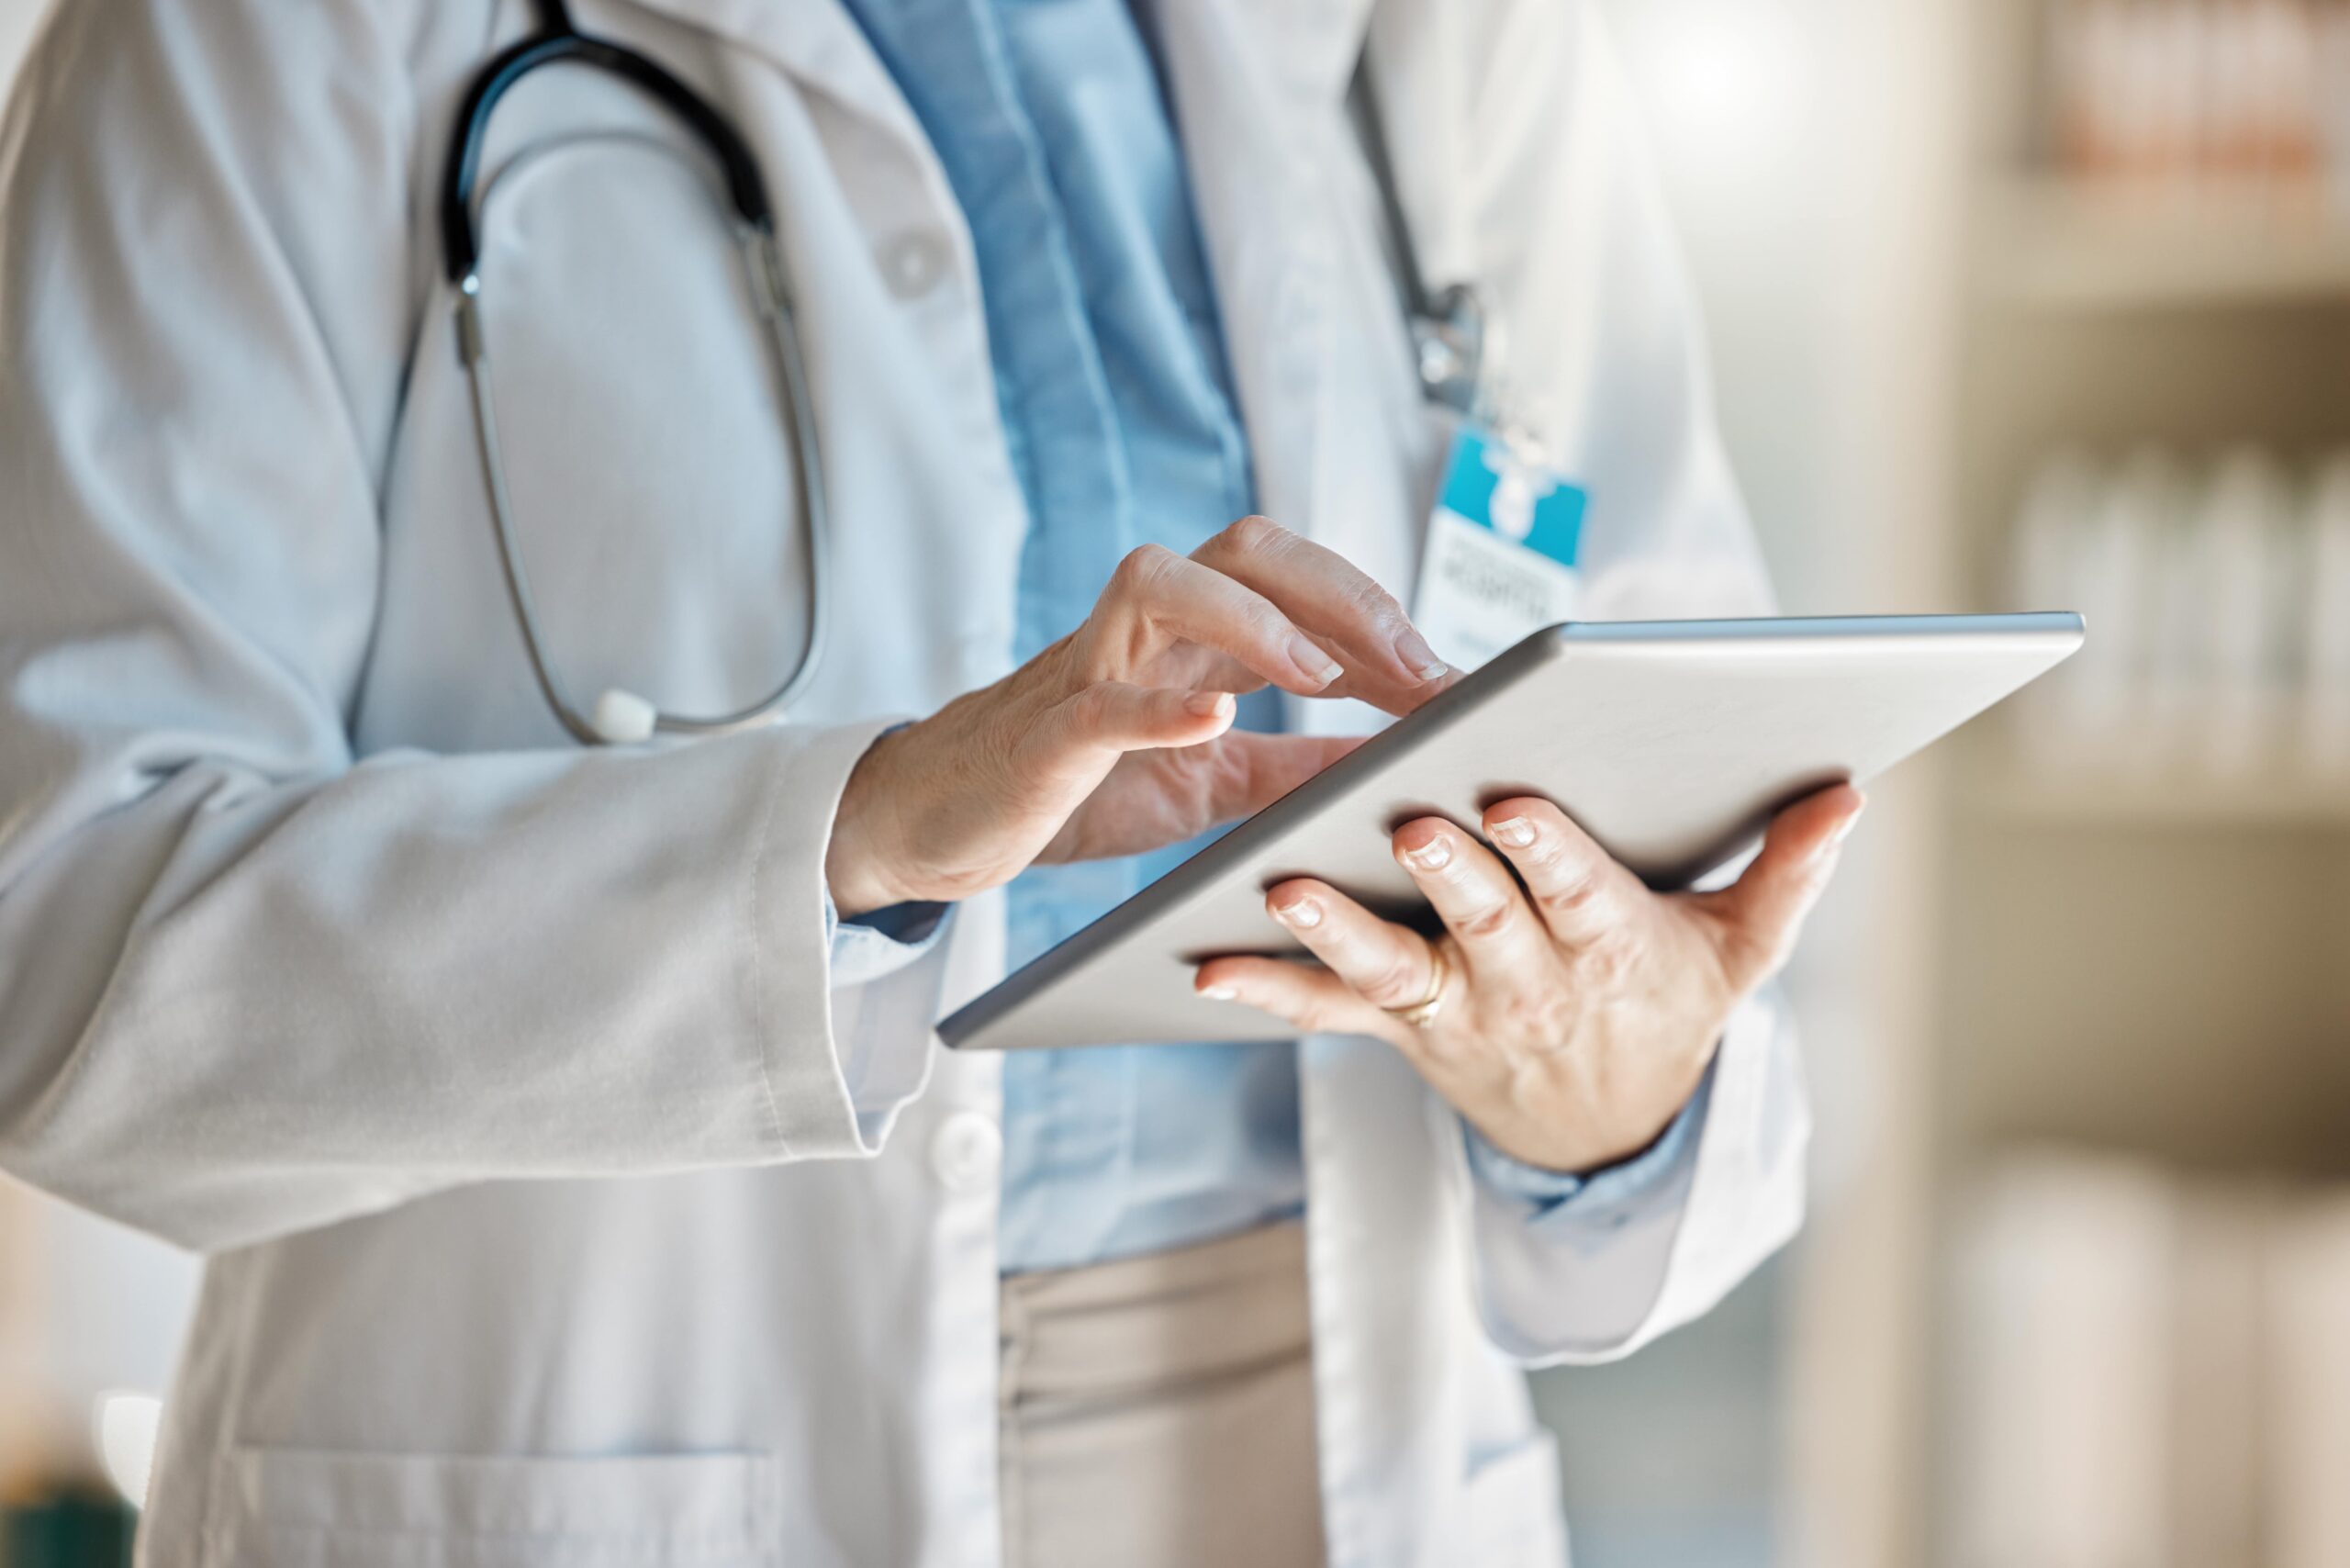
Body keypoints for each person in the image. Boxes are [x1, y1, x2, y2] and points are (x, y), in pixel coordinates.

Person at [0, 0, 1861, 1563]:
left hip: (1337, 1449)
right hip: (599, 1449)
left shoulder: (1448, 38)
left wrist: (1607, 1087)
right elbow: (61, 939)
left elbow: (1662, 744)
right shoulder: (250, 34)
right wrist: (848, 841)